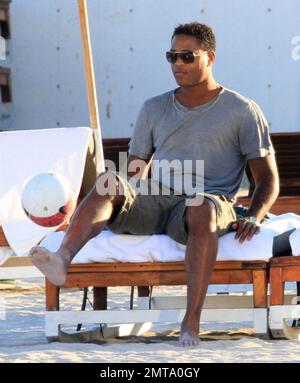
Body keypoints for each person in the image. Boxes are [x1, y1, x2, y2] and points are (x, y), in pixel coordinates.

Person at [29, 22, 279, 347]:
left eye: (187, 56)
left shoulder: (242, 110)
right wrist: (114, 205)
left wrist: (254, 216)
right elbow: (134, 174)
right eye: (171, 56)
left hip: (208, 203)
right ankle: (62, 258)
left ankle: (191, 321)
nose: (178, 64)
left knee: (200, 206)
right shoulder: (153, 108)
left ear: (210, 57)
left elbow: (268, 178)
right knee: (108, 181)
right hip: (158, 199)